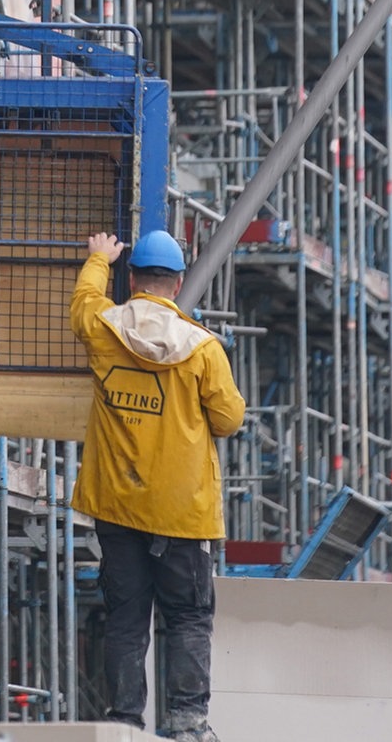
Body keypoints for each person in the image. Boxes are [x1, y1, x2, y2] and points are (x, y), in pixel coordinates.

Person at [70, 230, 246, 742]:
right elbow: (230, 417)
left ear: (132, 279)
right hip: (182, 511)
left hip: (117, 504)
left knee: (127, 617)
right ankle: (189, 723)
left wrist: (98, 259)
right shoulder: (202, 349)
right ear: (179, 282)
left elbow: (83, 303)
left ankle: (124, 720)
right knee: (189, 616)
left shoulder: (105, 327)